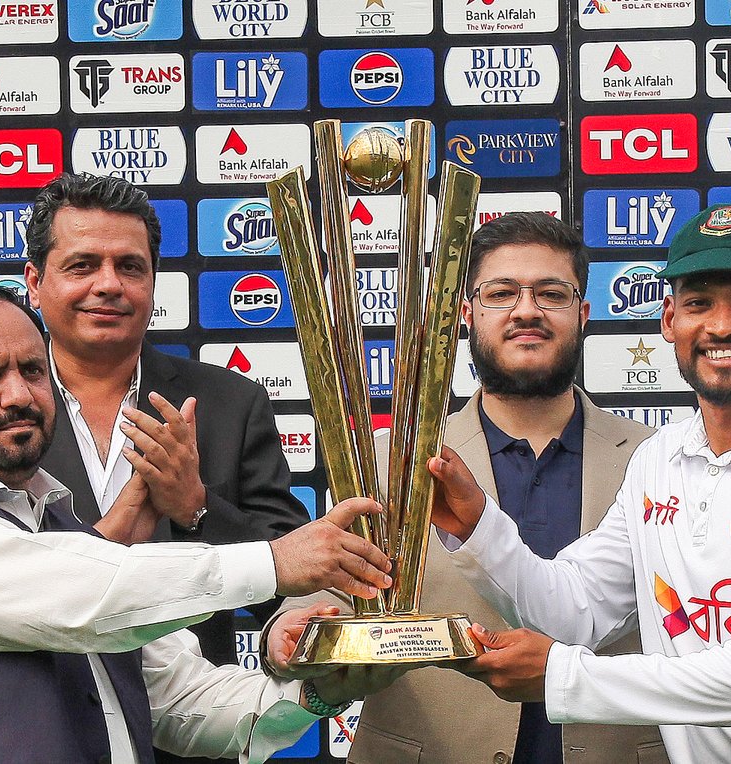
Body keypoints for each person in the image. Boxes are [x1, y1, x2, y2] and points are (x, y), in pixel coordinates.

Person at [429, 204, 731, 763]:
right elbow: (577, 609)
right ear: (668, 320)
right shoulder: (660, 458)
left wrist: (565, 677)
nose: (721, 326)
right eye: (698, 304)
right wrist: (478, 529)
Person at [0, 284, 402, 763]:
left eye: (32, 370)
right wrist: (275, 562)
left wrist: (317, 693)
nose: (17, 394)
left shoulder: (60, 529)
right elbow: (85, 596)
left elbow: (186, 701)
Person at [267, 213, 666, 763]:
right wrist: (291, 629)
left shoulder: (659, 461)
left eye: (552, 293)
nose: (527, 310)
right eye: (502, 293)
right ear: (467, 313)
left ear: (584, 313)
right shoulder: (394, 461)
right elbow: (329, 586)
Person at [23, 176, 308, 706]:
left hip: (196, 724)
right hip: (39, 720)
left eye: (130, 266)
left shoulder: (230, 404)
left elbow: (289, 576)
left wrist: (198, 509)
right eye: (82, 266)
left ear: (153, 282)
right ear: (35, 283)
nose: (109, 285)